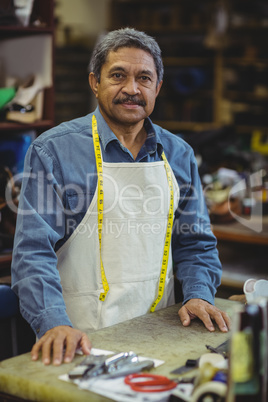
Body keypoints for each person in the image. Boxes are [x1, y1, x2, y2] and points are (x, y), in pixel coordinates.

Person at [11, 28, 230, 366]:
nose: (132, 89)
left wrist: (200, 294)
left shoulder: (179, 154)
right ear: (94, 82)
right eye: (117, 76)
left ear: (157, 88)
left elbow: (196, 243)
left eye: (144, 78)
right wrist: (53, 323)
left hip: (160, 333)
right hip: (77, 339)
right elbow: (32, 252)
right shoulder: (54, 151)